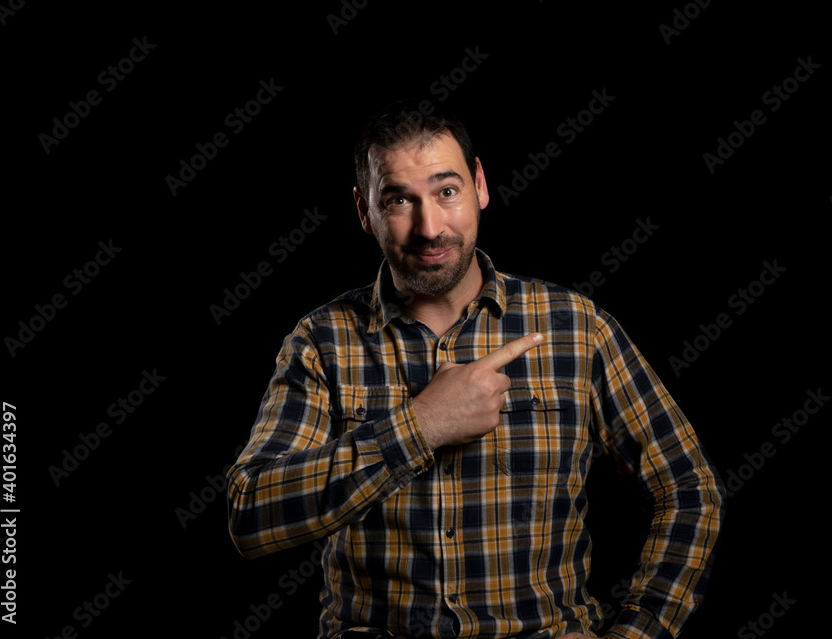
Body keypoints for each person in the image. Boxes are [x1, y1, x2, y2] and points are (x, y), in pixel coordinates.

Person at [226, 101, 725, 639]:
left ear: (480, 185)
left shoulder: (575, 327)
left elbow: (689, 487)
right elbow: (252, 517)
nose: (430, 226)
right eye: (398, 199)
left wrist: (636, 633)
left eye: (447, 191)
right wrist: (420, 426)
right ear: (364, 211)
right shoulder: (321, 342)